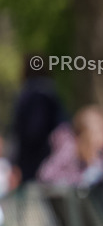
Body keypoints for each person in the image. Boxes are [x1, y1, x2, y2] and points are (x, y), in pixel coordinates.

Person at [9, 56, 68, 184]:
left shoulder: (36, 95)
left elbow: (33, 133)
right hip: (46, 160)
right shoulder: (50, 93)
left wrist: (18, 163)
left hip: (37, 165)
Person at [37, 106, 103, 188]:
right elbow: (45, 176)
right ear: (88, 135)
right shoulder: (69, 150)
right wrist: (80, 179)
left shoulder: (97, 158)